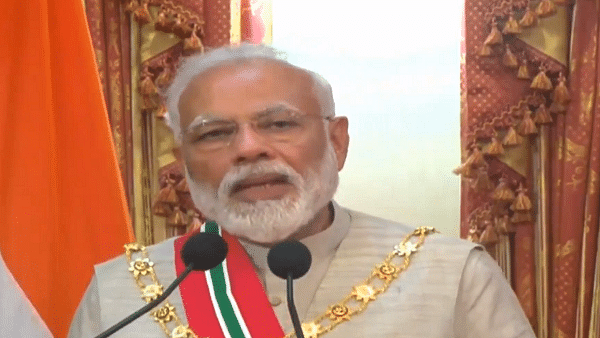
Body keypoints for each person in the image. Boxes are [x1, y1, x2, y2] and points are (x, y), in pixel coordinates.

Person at [68, 44, 535, 338]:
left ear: (336, 142)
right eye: (214, 133)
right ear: (184, 159)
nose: (249, 149)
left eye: (278, 124)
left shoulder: (453, 275)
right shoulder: (121, 292)